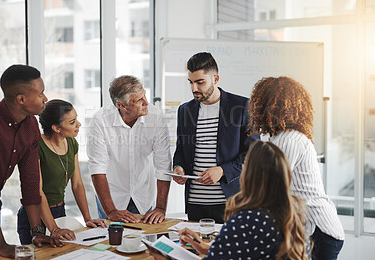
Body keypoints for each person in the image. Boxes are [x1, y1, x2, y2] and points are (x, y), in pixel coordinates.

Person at [148, 141, 308, 259]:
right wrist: (202, 246)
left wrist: (163, 258)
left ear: (249, 176)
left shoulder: (245, 220)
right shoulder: (290, 215)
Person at [248, 76, 345, 259]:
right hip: (309, 228)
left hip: (320, 231)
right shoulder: (279, 138)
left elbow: (271, 189)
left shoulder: (289, 139)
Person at [0, 65, 63, 259]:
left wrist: (37, 232)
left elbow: (31, 181)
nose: (46, 98)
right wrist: (2, 245)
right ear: (21, 99)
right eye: (41, 93)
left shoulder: (31, 125)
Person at [172, 52, 258, 223]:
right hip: (195, 203)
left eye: (200, 82)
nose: (194, 88)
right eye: (191, 82)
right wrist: (178, 166)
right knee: (195, 249)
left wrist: (223, 170)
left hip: (229, 203)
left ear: (216, 79)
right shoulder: (185, 110)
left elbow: (254, 154)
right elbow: (181, 149)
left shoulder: (242, 107)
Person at [17, 99, 107, 245]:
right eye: (72, 122)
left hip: (59, 210)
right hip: (35, 216)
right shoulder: (37, 147)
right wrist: (53, 228)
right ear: (56, 128)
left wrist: (88, 218)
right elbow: (37, 191)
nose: (79, 124)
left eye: (76, 119)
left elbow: (77, 184)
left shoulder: (71, 143)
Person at [86, 75, 172, 224]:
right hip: (111, 198)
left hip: (143, 196)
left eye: (144, 95)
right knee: (110, 243)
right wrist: (111, 211)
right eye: (139, 100)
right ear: (122, 105)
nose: (146, 102)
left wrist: (161, 208)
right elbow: (97, 168)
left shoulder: (156, 117)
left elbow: (163, 164)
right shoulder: (100, 120)